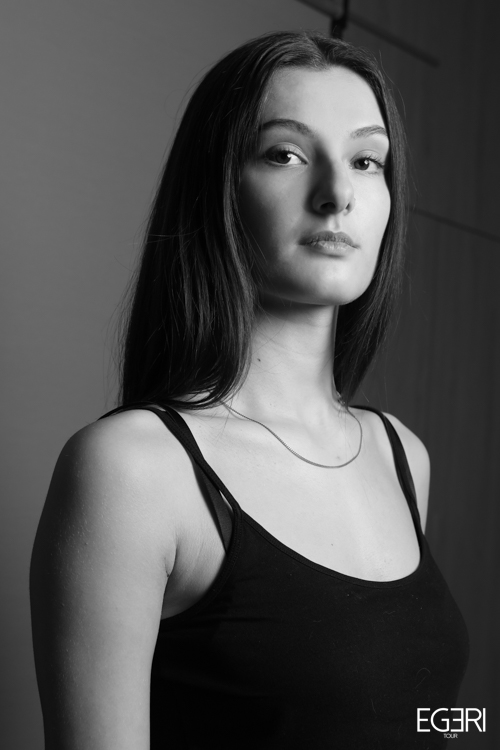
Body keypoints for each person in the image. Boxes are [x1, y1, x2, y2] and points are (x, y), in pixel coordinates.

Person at [30, 30, 469, 749]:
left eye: (366, 161)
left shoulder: (402, 457)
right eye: (285, 154)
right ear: (219, 188)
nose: (338, 195)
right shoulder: (134, 471)